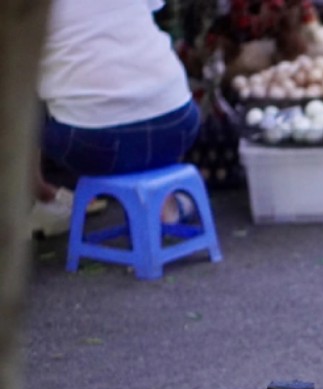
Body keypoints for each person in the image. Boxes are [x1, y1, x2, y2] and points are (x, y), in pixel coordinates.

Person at [32, 0, 201, 233]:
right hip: (178, 124)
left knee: (20, 102)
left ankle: (37, 195)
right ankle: (164, 202)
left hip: (90, 143)